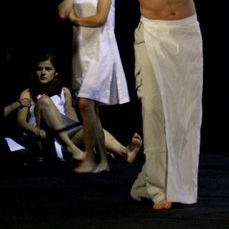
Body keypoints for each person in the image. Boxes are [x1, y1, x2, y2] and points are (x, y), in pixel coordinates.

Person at [71, 0, 203, 210]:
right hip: (152, 34)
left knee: (185, 114)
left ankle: (156, 182)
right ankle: (157, 188)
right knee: (154, 109)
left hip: (185, 33)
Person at [58, 0, 131, 173]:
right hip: (81, 53)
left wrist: (76, 20)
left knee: (84, 103)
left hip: (101, 51)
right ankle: (102, 161)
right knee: (91, 110)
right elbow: (62, 12)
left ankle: (90, 157)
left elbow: (100, 18)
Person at [14, 53, 142, 164]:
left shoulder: (64, 92)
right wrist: (35, 130)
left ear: (55, 72)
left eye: (48, 69)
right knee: (43, 100)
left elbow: (73, 122)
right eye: (39, 69)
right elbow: (21, 121)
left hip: (63, 138)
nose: (43, 73)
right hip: (42, 139)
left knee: (91, 127)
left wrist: (90, 141)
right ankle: (74, 150)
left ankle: (124, 152)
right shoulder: (27, 94)